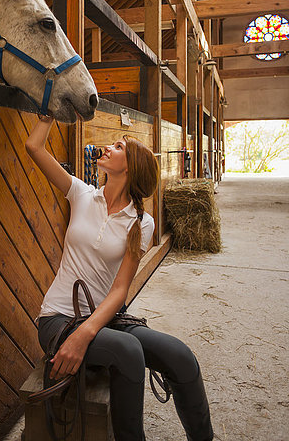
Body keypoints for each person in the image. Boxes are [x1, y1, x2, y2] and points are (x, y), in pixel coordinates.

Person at [25, 115, 213, 441]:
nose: (109, 148)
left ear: (129, 168)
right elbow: (34, 147)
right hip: (58, 318)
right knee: (128, 352)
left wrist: (86, 332)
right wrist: (51, 111)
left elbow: (120, 290)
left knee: (181, 357)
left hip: (103, 320)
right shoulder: (81, 194)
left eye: (119, 146)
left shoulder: (142, 223)